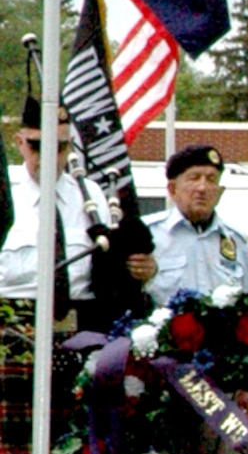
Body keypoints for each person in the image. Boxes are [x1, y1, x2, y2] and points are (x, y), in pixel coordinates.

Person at [0, 97, 147, 321]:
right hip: (11, 322)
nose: (49, 156)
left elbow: (109, 269)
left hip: (80, 322)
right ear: (19, 142)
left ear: (69, 146)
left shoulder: (90, 195)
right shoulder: (4, 194)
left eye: (59, 147)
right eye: (37, 145)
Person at [143, 145, 248, 303]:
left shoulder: (237, 240)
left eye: (211, 179)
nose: (202, 188)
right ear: (172, 189)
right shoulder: (148, 235)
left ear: (220, 192)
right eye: (194, 178)